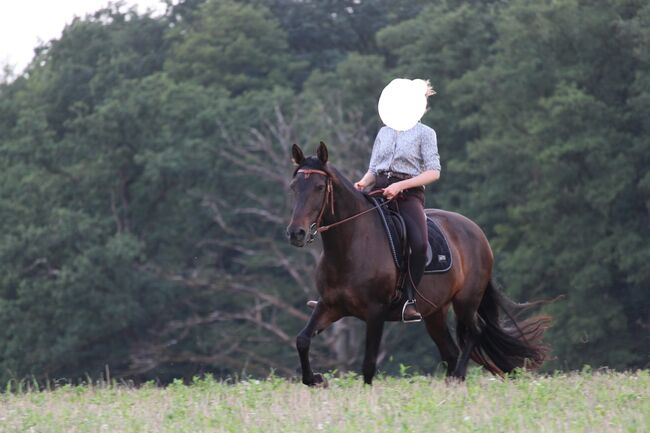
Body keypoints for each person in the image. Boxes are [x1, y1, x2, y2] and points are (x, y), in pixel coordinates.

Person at [354, 78, 441, 322]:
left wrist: (401, 185)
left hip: (408, 195)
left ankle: (409, 300)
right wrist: (362, 183)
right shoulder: (384, 132)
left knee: (420, 244)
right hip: (379, 191)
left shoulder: (426, 133)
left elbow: (433, 172)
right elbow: (374, 168)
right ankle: (335, 293)